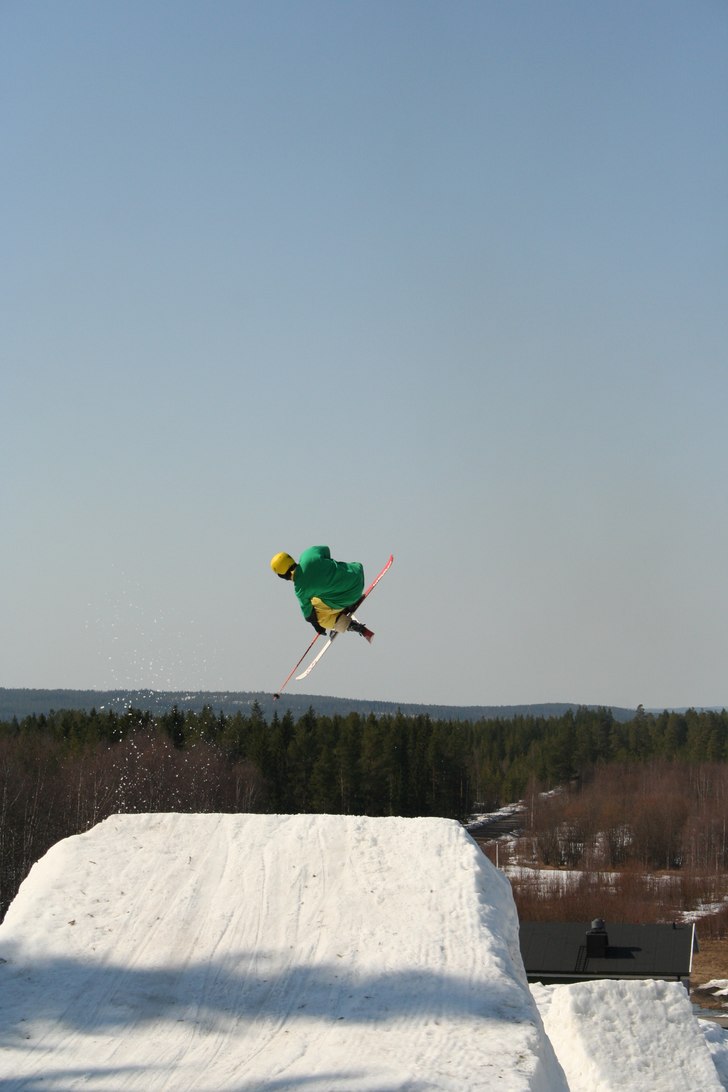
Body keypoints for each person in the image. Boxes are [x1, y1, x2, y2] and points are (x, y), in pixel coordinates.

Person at [270, 546, 373, 640]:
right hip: (357, 575)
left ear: (282, 576)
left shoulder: (300, 589)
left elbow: (309, 616)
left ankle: (347, 624)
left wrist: (318, 627)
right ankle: (345, 605)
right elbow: (326, 550)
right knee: (318, 597)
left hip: (350, 596)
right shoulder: (308, 554)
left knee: (319, 616)